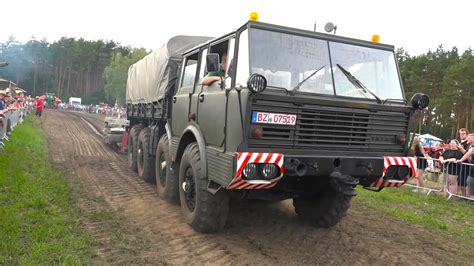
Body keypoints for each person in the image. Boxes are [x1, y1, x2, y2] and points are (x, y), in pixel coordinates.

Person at [457, 133, 474, 198]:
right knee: (470, 182)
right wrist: (461, 160)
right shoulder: (471, 146)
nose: (467, 139)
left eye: (469, 138)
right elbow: (468, 154)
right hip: (471, 169)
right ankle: (470, 199)